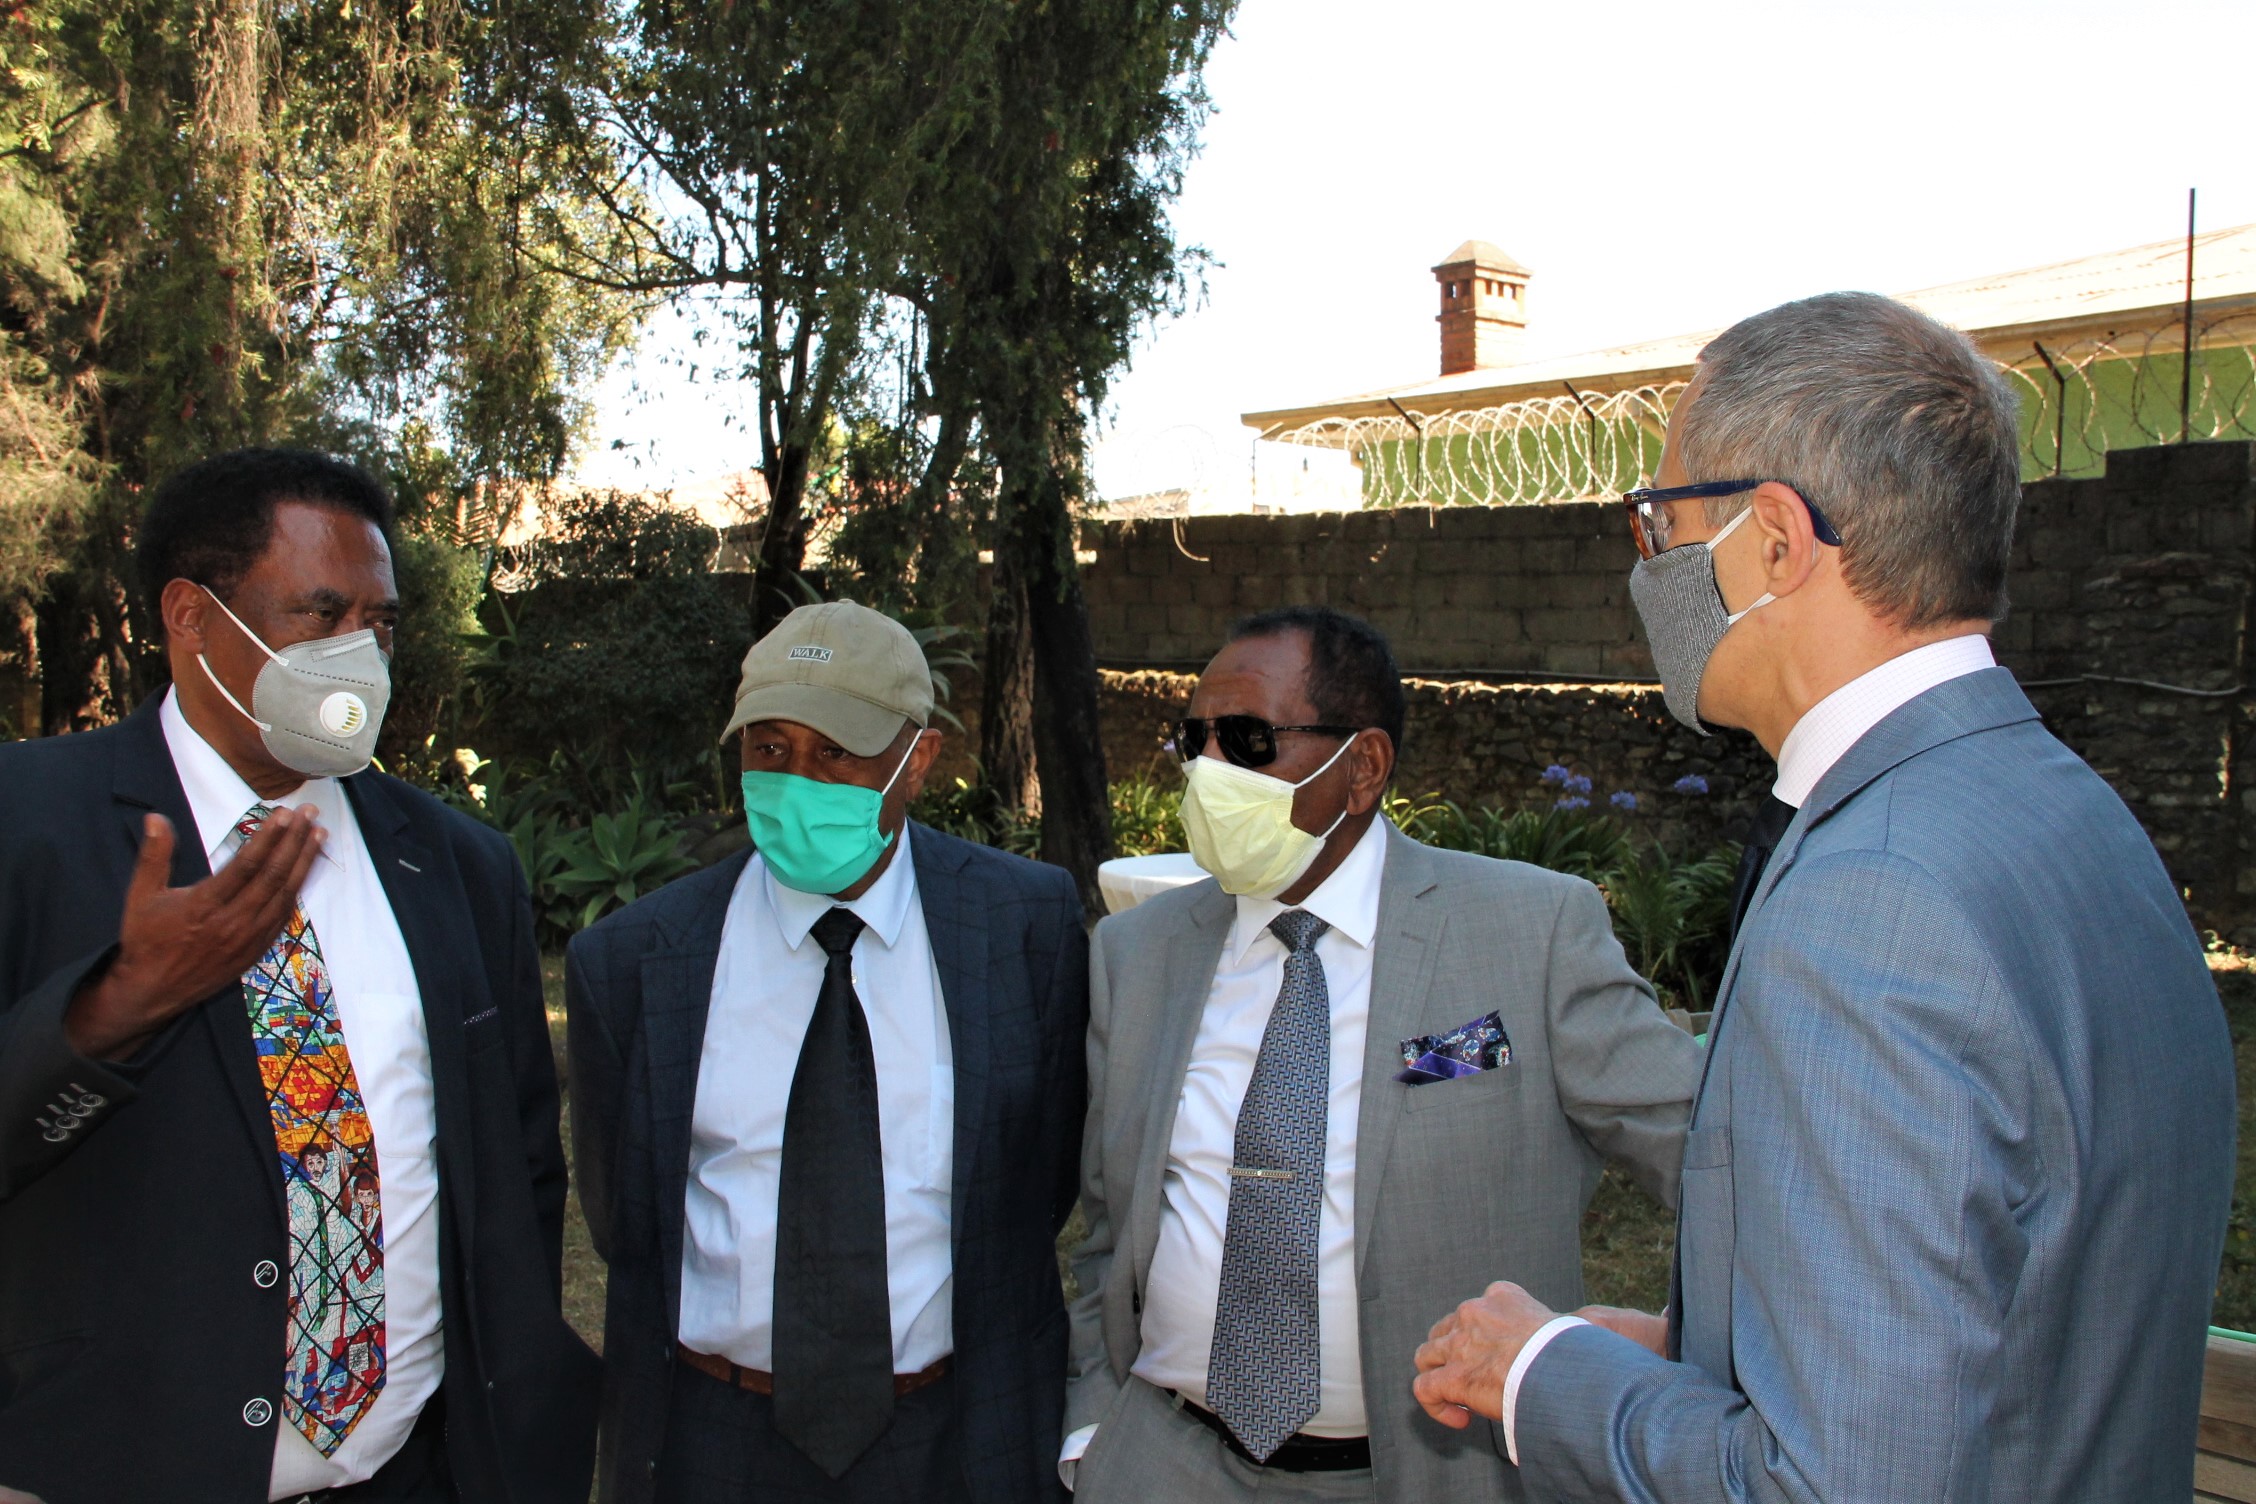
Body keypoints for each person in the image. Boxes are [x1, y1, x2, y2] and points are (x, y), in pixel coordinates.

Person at [1412, 292, 2238, 1501]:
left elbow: (1832, 1483)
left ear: (1775, 540)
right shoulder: (2068, 811)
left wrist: (1542, 1372)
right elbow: (2013, 1317)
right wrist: (1699, 1353)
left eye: (1659, 522)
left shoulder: (1872, 904)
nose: (1647, 566)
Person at [0, 449, 599, 1504]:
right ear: (191, 615)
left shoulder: (457, 863)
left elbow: (516, 1164)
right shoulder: (27, 822)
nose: (359, 654)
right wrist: (113, 1012)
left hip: (414, 1475)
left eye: (381, 623)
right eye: (321, 615)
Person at [1064, 605, 1701, 1504]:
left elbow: (1716, 1159)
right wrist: (1094, 1433)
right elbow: (1107, 1226)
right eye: (1191, 740)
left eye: (1245, 741)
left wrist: (1691, 1339)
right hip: (1164, 1463)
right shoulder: (1138, 953)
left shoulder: (1531, 933)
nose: (1208, 771)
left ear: (1362, 767)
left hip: (1440, 1474)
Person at [568, 600, 1089, 1504]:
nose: (796, 780)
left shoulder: (1024, 925)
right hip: (713, 1440)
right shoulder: (635, 959)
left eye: (837, 752)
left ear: (917, 760)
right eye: (769, 748)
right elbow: (625, 1219)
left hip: (953, 1436)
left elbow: (1040, 1183)